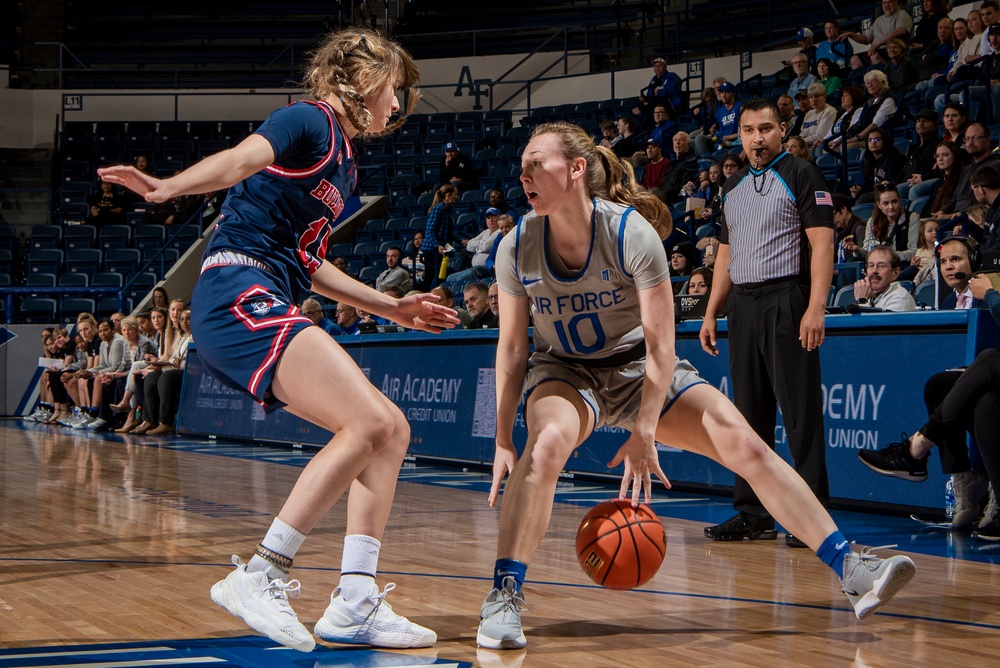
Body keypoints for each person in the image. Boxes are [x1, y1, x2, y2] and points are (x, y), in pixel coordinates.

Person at [477, 119, 916, 651]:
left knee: (746, 445)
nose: (523, 173)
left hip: (641, 365)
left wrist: (645, 430)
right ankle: (503, 595)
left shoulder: (629, 233)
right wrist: (504, 438)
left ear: (575, 169)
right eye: (521, 164)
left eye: (535, 162)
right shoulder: (515, 245)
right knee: (543, 448)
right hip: (566, 371)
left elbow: (663, 348)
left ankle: (852, 567)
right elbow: (513, 349)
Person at [98, 28, 457, 653]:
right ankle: (261, 572)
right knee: (368, 423)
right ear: (367, 79)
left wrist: (390, 307)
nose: (398, 107)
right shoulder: (307, 120)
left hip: (267, 287)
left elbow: (308, 260)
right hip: (236, 285)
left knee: (390, 430)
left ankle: (354, 602)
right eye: (396, 90)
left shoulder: (343, 162)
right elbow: (242, 158)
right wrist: (168, 187)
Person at [700, 97, 833, 549]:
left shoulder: (801, 173)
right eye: (749, 130)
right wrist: (712, 310)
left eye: (766, 129)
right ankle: (753, 513)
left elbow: (822, 246)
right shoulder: (732, 186)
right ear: (739, 135)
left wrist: (816, 307)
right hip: (743, 304)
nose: (758, 137)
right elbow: (725, 255)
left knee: (799, 413)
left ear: (782, 131)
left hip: (786, 299)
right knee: (748, 415)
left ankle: (810, 515)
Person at [838, 0, 914, 69]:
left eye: (890, 2)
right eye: (884, 3)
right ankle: (864, 83)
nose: (887, 5)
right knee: (854, 60)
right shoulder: (879, 20)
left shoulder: (902, 15)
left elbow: (900, 31)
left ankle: (878, 81)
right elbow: (866, 39)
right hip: (877, 50)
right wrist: (851, 34)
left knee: (875, 56)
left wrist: (879, 43)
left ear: (897, 2)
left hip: (893, 50)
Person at [851, 246, 916, 311]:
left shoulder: (900, 299)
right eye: (871, 265)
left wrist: (862, 301)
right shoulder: (870, 297)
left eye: (881, 266)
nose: (874, 271)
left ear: (895, 273)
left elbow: (869, 321)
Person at [421, 184, 460, 290]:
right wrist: (437, 245)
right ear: (448, 195)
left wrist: (461, 241)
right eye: (455, 194)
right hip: (432, 250)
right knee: (430, 276)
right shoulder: (438, 209)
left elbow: (447, 232)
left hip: (441, 249)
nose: (456, 196)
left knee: (440, 276)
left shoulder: (446, 210)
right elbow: (430, 230)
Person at [798, 84, 837, 150]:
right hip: (806, 146)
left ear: (824, 97)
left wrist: (798, 142)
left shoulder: (829, 112)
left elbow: (819, 136)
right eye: (811, 97)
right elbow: (802, 135)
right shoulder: (809, 114)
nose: (814, 100)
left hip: (820, 146)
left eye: (817, 96)